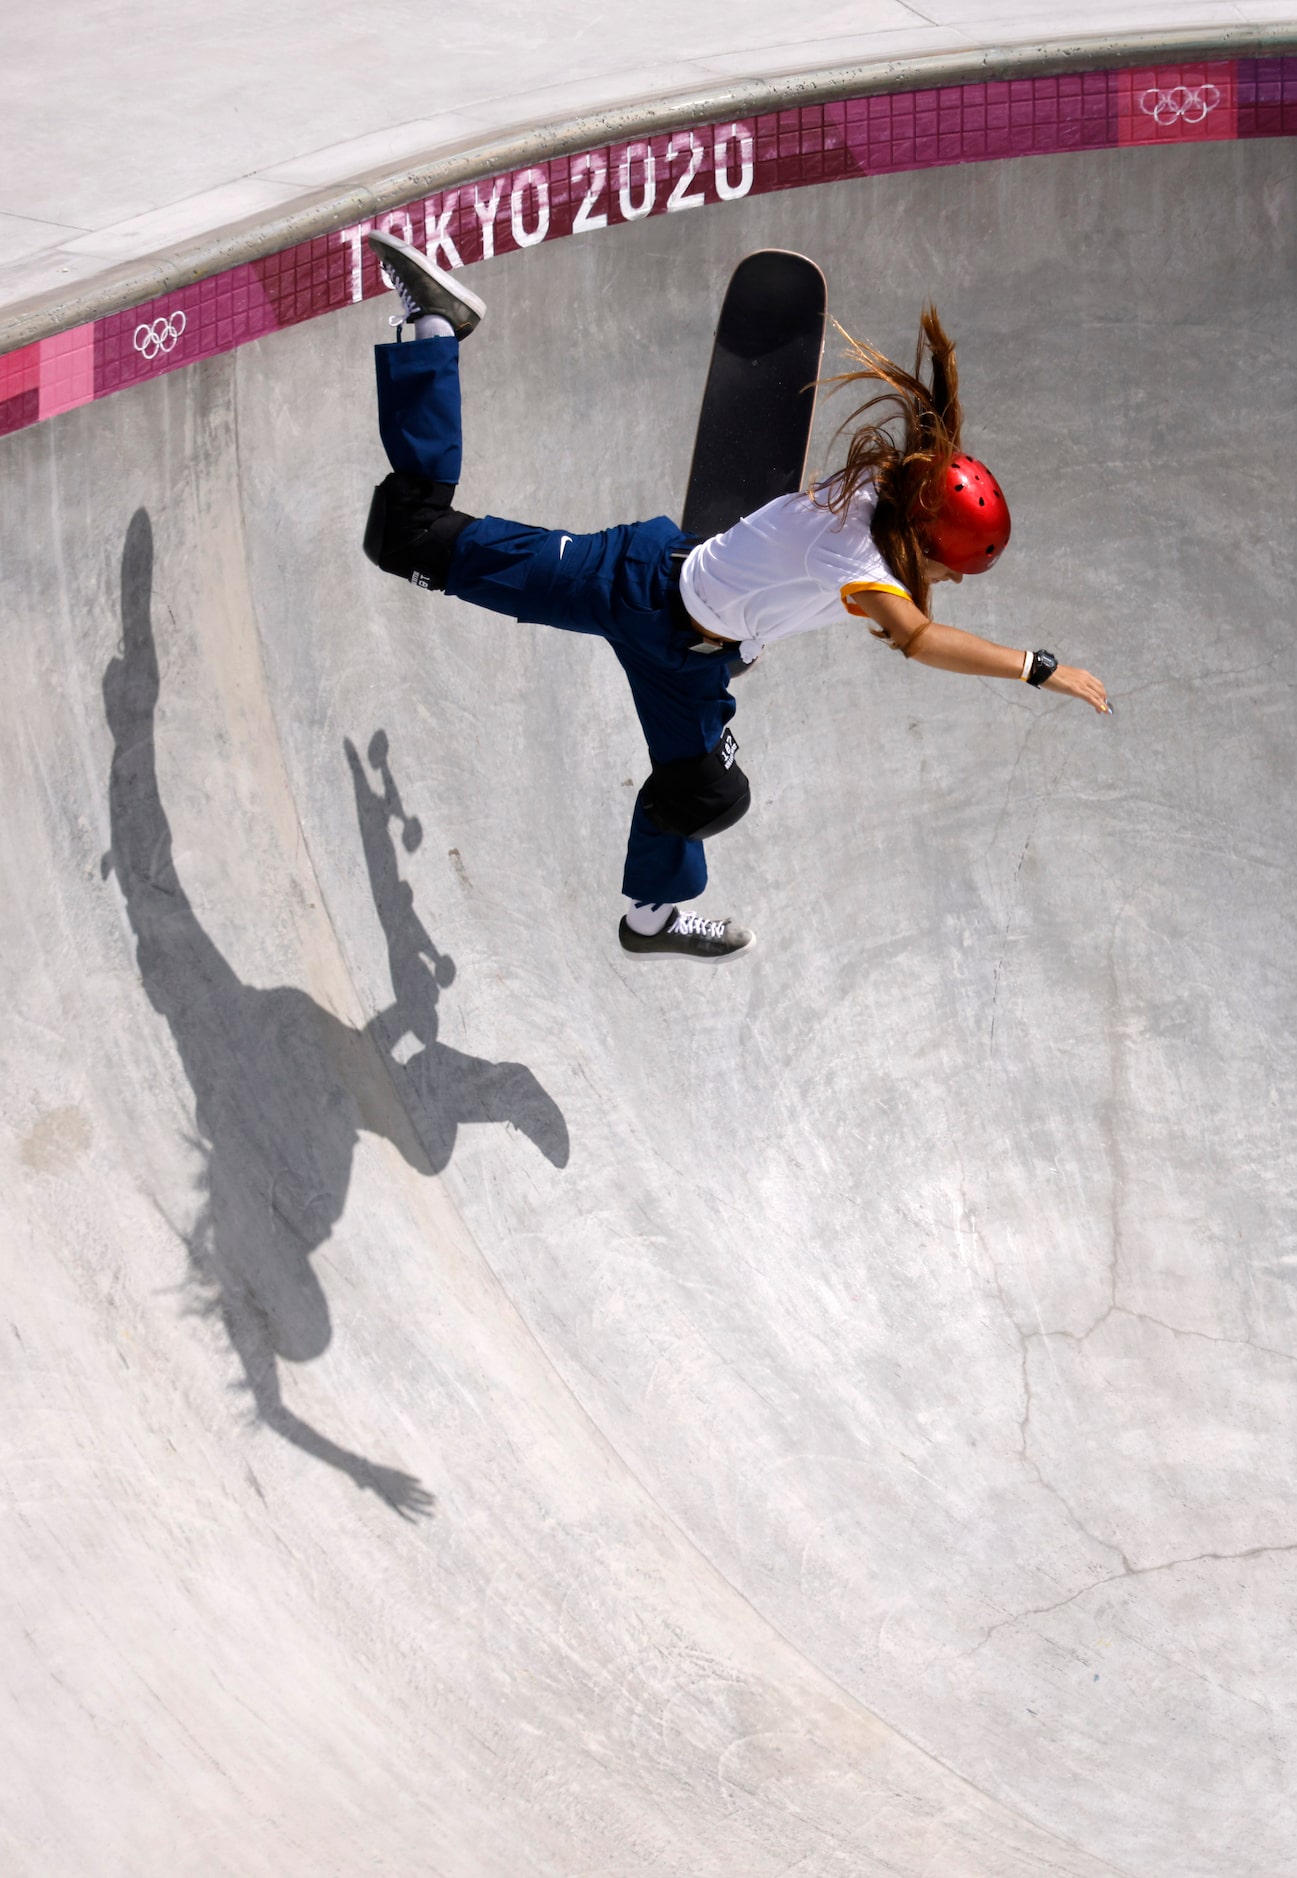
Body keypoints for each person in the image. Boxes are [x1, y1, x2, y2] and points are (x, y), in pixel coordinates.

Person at [361, 231, 1110, 964]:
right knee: (411, 536)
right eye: (946, 571)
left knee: (704, 794)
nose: (942, 584)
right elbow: (917, 640)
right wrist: (1035, 668)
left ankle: (649, 920)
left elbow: (931, 460)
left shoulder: (893, 486)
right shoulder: (856, 556)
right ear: (921, 536)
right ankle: (434, 328)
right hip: (632, 588)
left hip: (689, 659)